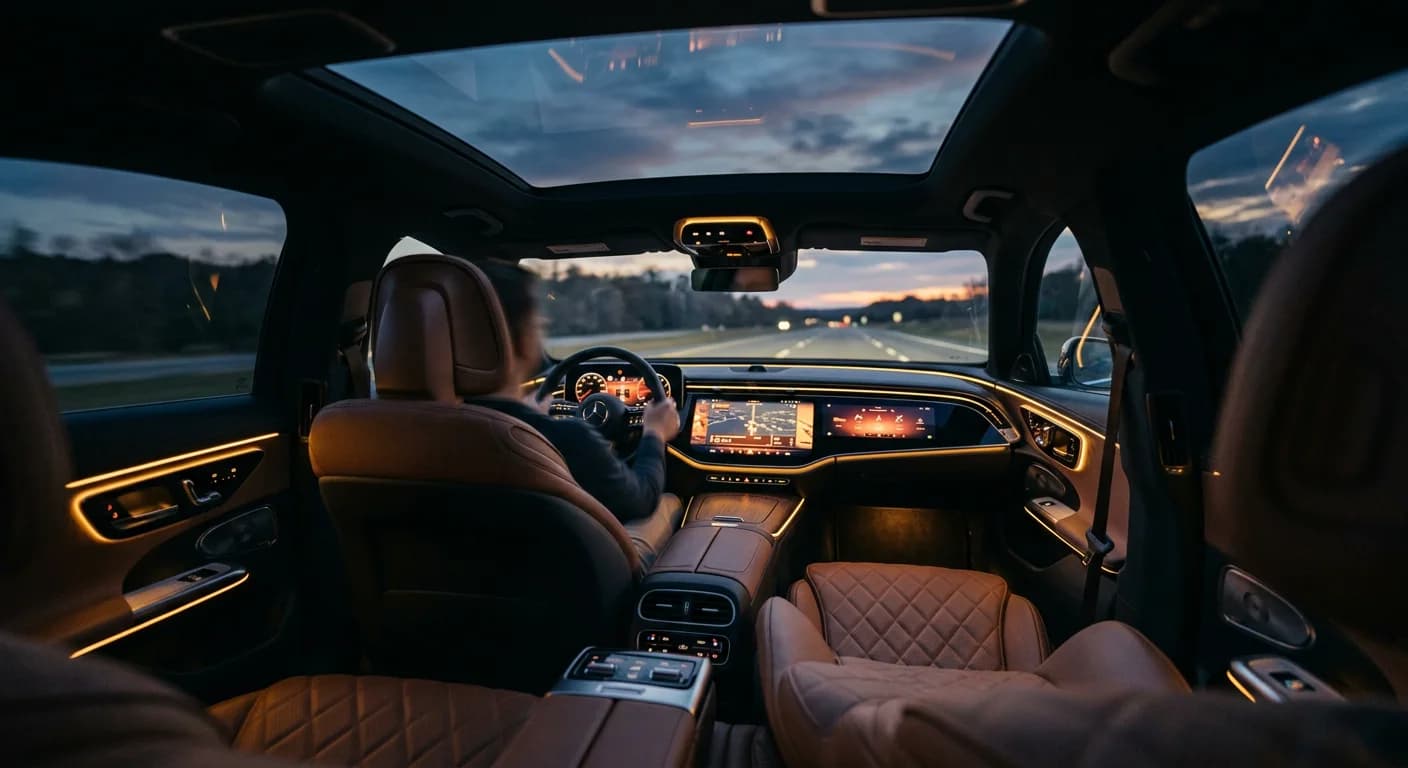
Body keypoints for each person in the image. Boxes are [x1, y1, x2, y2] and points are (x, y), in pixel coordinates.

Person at [471, 258, 682, 524]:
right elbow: (642, 500)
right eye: (538, 325)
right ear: (523, 339)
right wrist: (655, 433)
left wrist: (529, 416)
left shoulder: (428, 429)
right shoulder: (568, 437)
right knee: (672, 502)